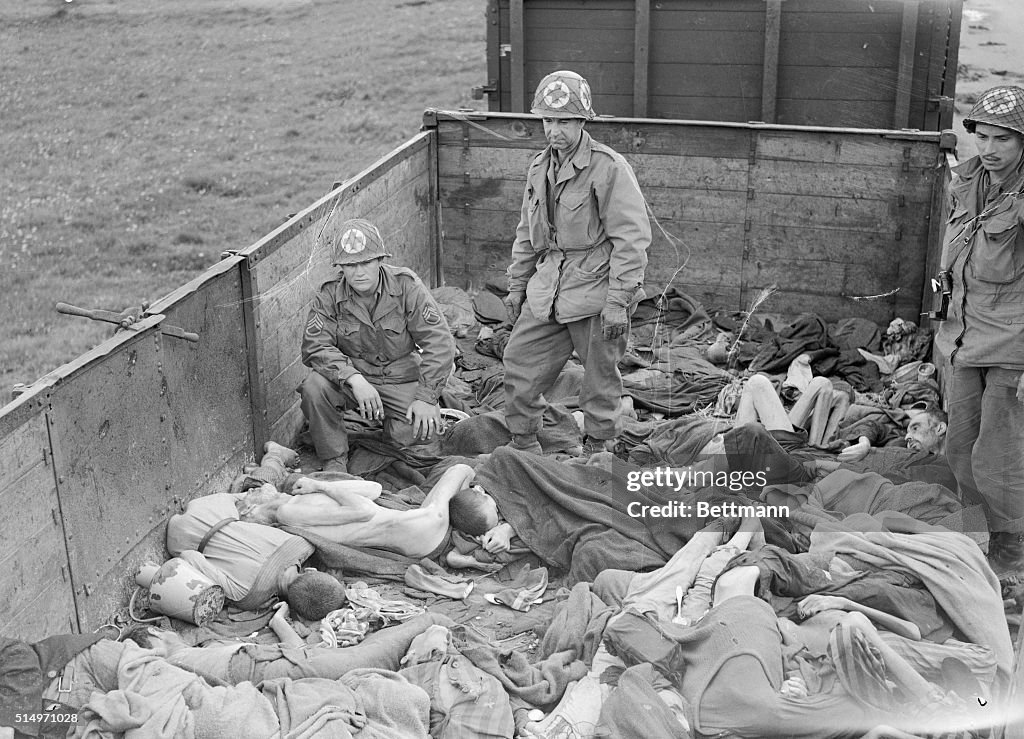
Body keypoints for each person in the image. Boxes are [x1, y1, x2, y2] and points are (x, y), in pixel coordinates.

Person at [502, 70, 652, 456]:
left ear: (583, 121)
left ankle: (600, 450)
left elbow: (631, 238)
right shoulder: (539, 167)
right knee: (519, 362)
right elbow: (526, 232)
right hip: (548, 287)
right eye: (549, 121)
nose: (555, 130)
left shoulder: (608, 168)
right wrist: (517, 286)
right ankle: (524, 446)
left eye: (564, 121)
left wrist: (619, 300)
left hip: (596, 290)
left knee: (600, 379)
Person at [933, 86, 1024, 569]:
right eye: (982, 137)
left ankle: (1012, 552)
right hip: (964, 338)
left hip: (1013, 347)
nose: (988, 149)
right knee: (959, 446)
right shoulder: (966, 181)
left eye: (1002, 140)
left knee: (1000, 457)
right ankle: (977, 537)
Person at [298, 218, 456, 473]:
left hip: (399, 377)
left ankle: (395, 428)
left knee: (419, 443)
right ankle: (334, 460)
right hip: (353, 381)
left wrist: (427, 397)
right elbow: (315, 346)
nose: (358, 272)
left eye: (365, 262)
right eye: (350, 265)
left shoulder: (406, 286)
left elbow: (439, 342)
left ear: (380, 261)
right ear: (341, 268)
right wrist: (354, 379)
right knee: (314, 387)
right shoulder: (329, 295)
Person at [237, 463, 478, 560]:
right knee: (461, 469)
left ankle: (463, 539)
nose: (254, 490)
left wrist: (322, 487)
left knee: (464, 484)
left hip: (415, 533)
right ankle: (474, 521)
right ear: (252, 506)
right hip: (420, 527)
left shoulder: (296, 503)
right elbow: (363, 511)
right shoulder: (289, 513)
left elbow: (373, 488)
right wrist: (320, 485)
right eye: (250, 493)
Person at [165, 491, 345, 619]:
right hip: (178, 536)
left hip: (208, 505)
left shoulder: (302, 544)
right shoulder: (249, 597)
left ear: (310, 570)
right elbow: (189, 557)